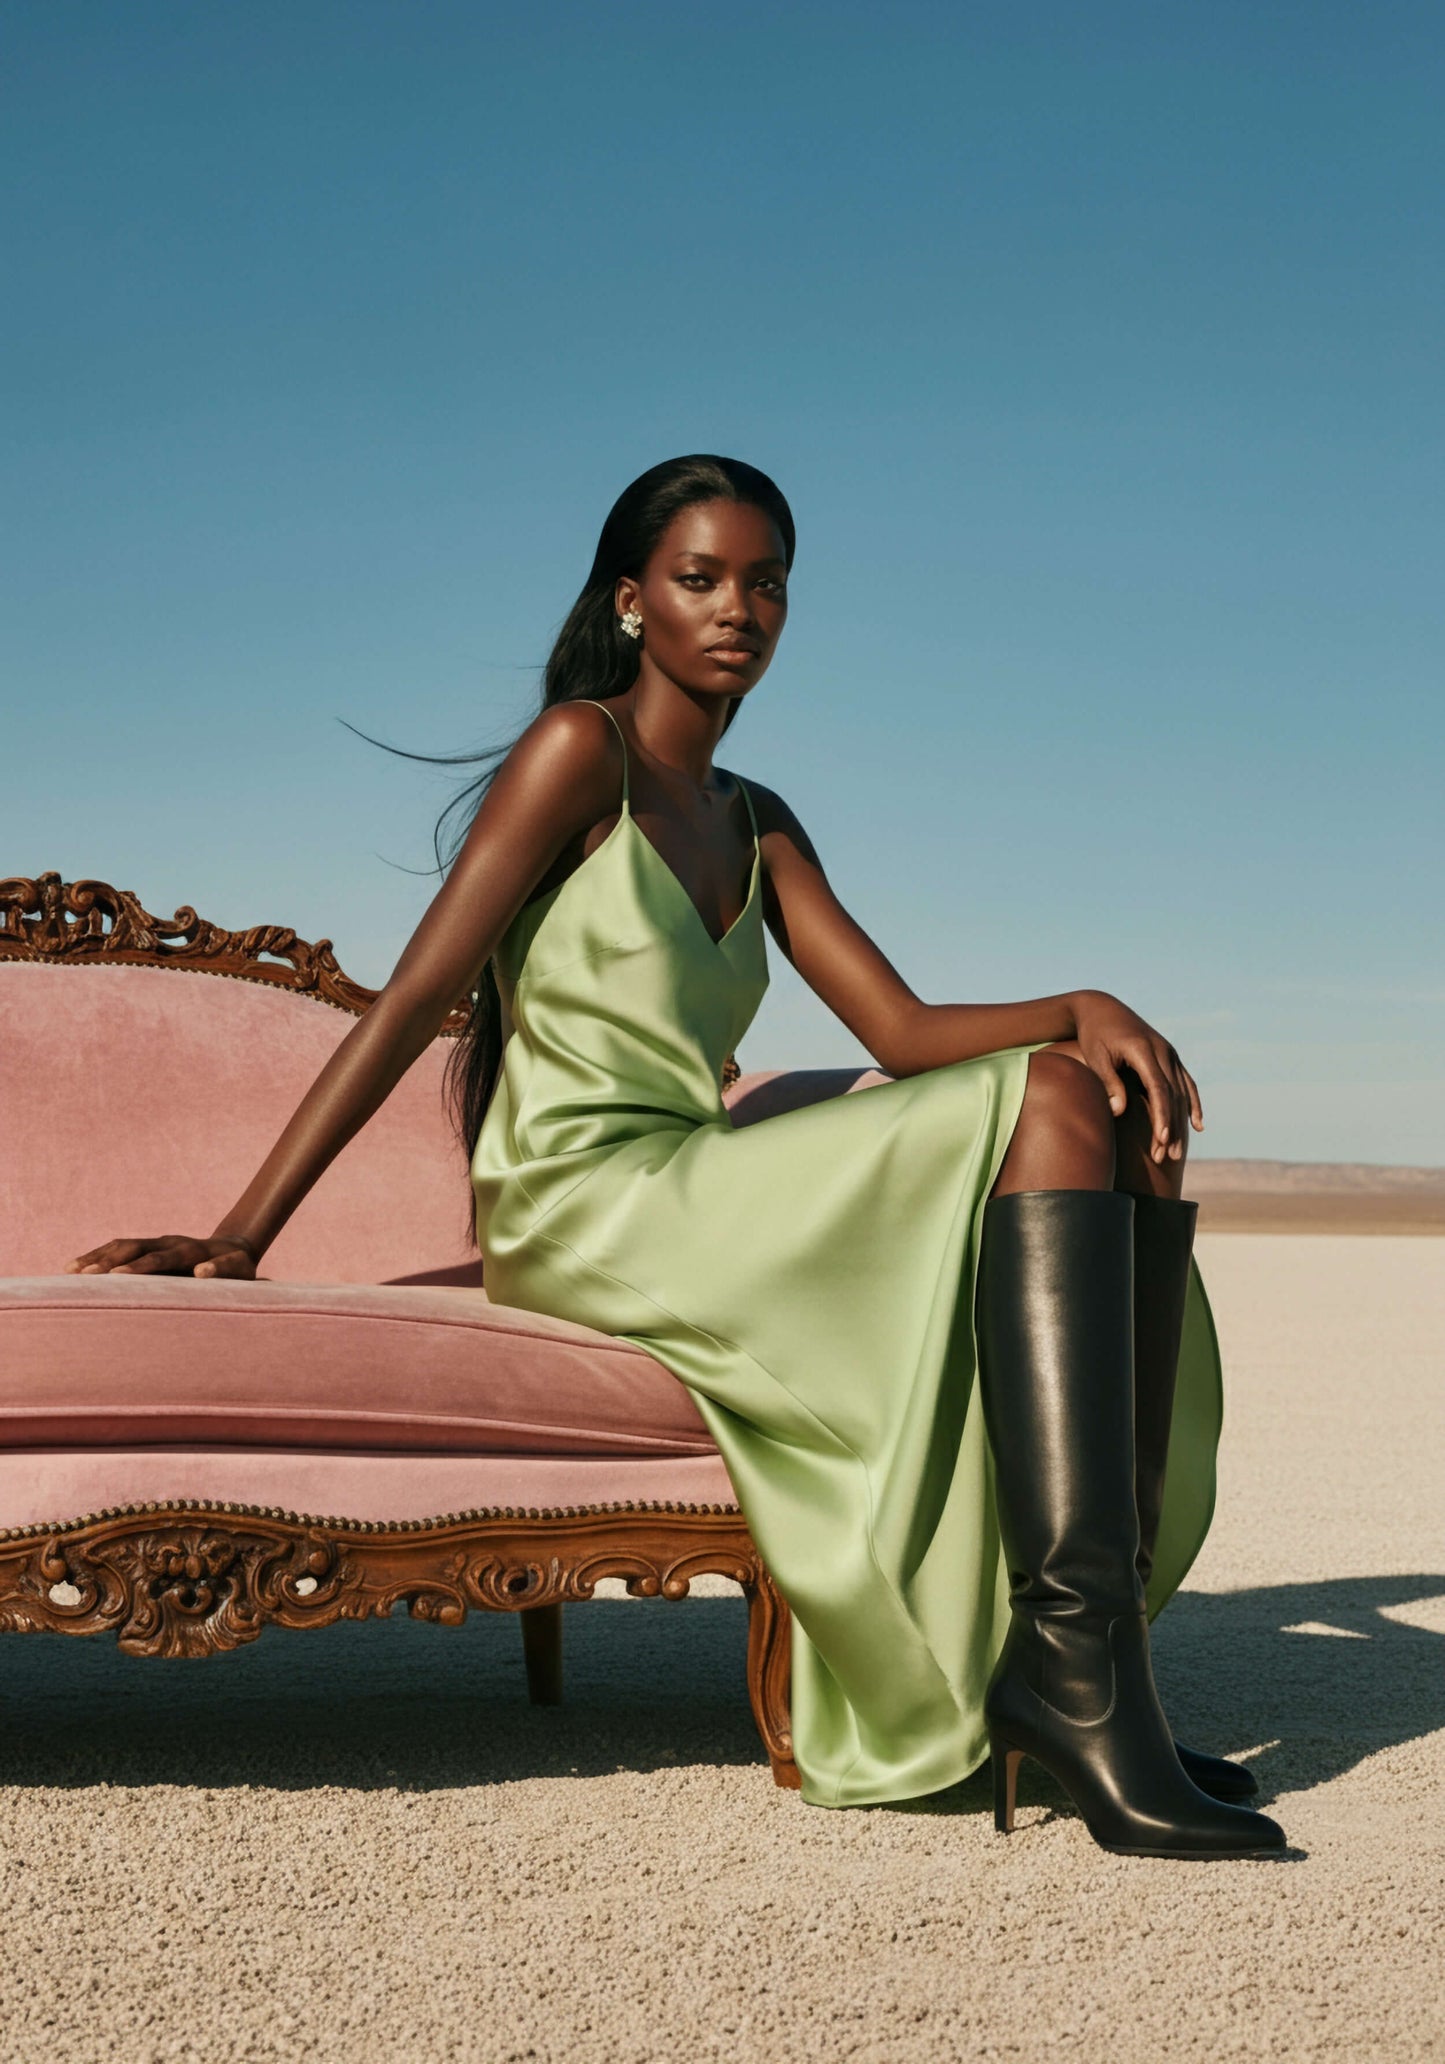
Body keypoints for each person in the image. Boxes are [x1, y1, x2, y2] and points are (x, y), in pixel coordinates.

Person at [68, 454, 1284, 1858]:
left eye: (765, 582)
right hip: (585, 1202)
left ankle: (1087, 1670)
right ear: (633, 601)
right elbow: (414, 998)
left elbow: (899, 1027)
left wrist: (1081, 1002)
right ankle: (1070, 1681)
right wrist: (241, 1234)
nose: (738, 609)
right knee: (1052, 1098)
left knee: (1091, 1094)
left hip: (696, 1181)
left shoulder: (761, 824)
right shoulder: (577, 752)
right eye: (701, 578)